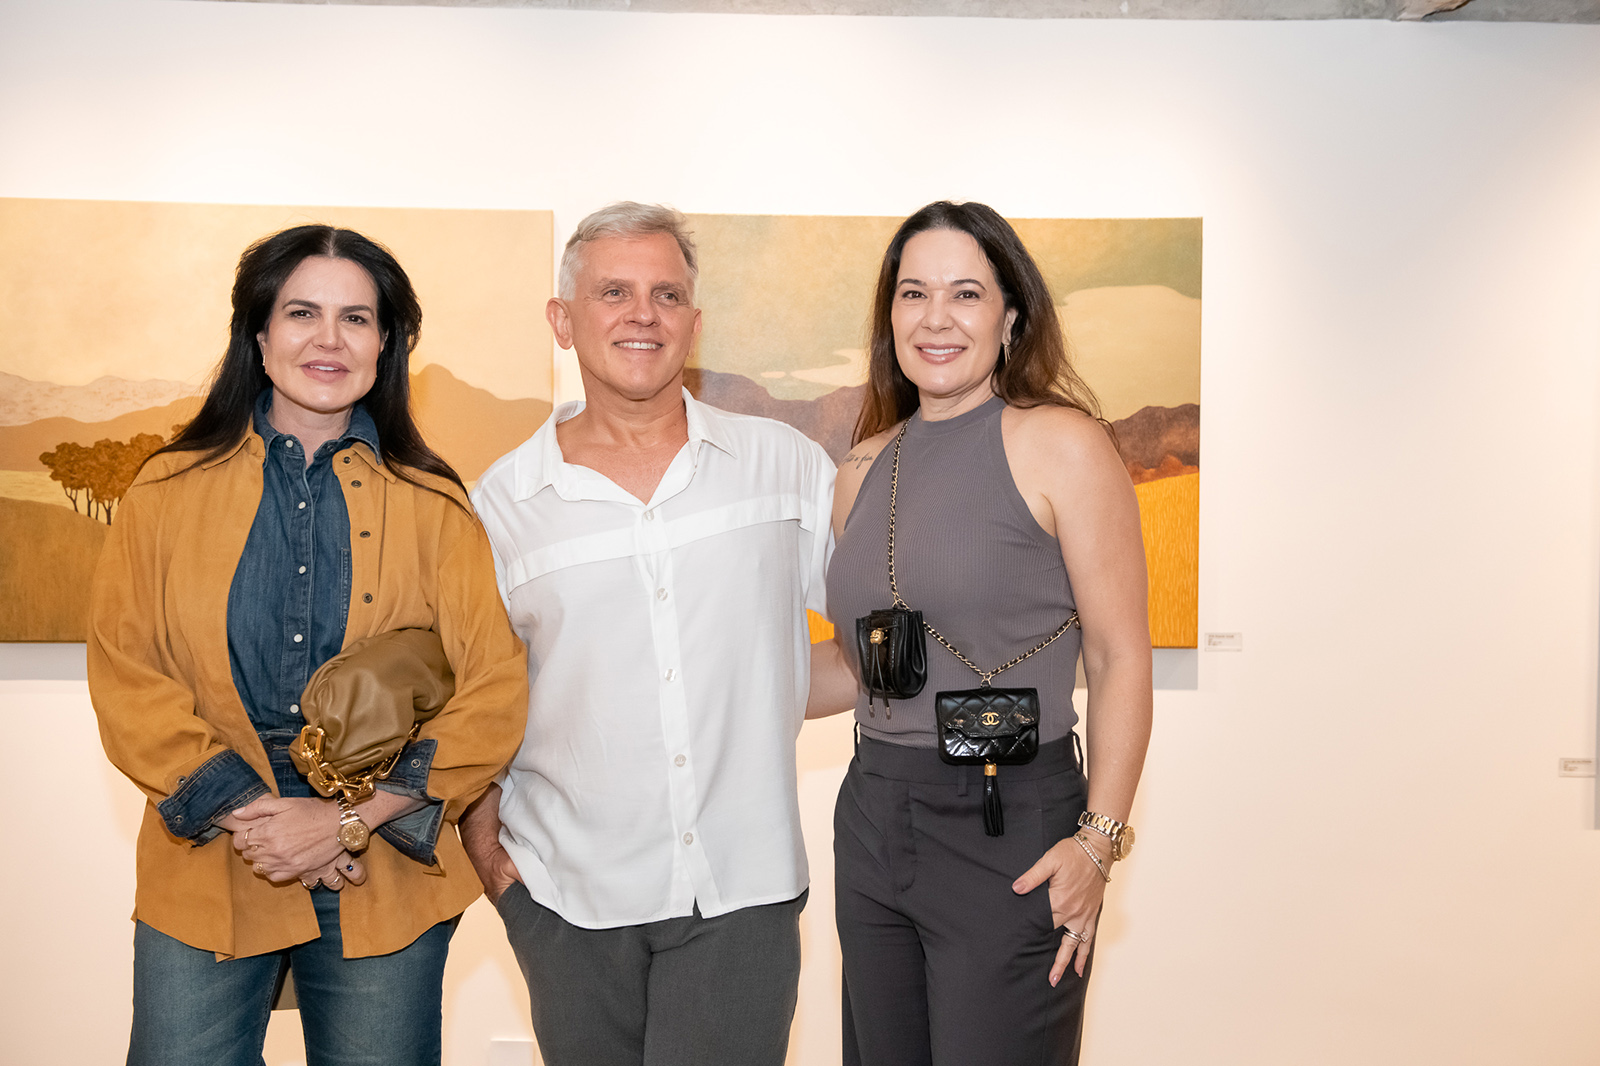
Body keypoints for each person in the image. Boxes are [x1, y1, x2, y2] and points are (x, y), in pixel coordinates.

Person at [87, 224, 529, 1066]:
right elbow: (125, 674)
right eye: (302, 313)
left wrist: (345, 820)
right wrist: (265, 821)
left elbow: (495, 690)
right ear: (258, 335)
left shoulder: (435, 501)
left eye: (357, 319)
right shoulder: (164, 489)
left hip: (384, 859)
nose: (329, 339)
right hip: (211, 845)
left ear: (386, 344)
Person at [461, 202, 836, 1066]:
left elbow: (871, 642)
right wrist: (485, 846)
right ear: (563, 320)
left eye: (667, 294)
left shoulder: (782, 468)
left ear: (693, 325)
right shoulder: (500, 507)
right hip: (564, 897)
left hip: (744, 891)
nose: (643, 314)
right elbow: (472, 694)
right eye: (614, 292)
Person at [822, 201, 1153, 1065]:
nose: (936, 318)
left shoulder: (1063, 445)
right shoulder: (862, 468)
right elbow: (864, 670)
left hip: (1008, 822)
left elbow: (1120, 658)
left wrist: (1099, 840)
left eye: (965, 293)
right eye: (913, 293)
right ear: (888, 315)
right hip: (873, 813)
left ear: (1010, 316)